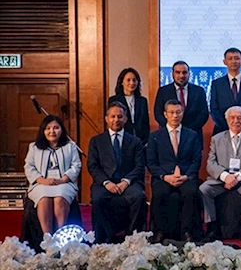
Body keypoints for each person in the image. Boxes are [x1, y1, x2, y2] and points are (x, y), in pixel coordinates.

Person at [200, 106, 241, 241]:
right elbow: (210, 164)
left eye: (240, 118)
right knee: (204, 189)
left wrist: (237, 177)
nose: (236, 121)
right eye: (232, 117)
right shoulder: (216, 139)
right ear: (227, 120)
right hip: (221, 179)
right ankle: (212, 227)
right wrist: (225, 176)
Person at [88, 102, 147, 243]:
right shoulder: (96, 141)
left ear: (125, 119)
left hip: (128, 183)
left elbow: (139, 166)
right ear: (106, 118)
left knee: (139, 197)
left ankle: (133, 238)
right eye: (113, 116)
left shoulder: (135, 141)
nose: (116, 120)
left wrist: (125, 182)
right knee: (98, 199)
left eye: (120, 116)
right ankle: (109, 237)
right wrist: (106, 182)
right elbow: (93, 166)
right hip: (105, 183)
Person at [146, 99, 203, 243]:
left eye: (178, 112)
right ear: (165, 114)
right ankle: (160, 232)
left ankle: (186, 232)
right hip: (163, 177)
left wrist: (186, 176)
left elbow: (196, 160)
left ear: (183, 113)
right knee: (160, 193)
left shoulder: (192, 135)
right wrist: (165, 176)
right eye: (171, 112)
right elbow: (151, 162)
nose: (175, 116)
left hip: (185, 177)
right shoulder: (155, 136)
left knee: (190, 193)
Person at [24, 115, 81, 235]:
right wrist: (42, 180)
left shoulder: (70, 146)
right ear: (43, 131)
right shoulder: (34, 147)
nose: (52, 131)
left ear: (62, 130)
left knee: (60, 198)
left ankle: (60, 235)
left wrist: (63, 180)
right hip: (41, 183)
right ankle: (48, 237)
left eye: (56, 128)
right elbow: (29, 167)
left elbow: (76, 165)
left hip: (64, 182)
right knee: (44, 198)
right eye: (48, 128)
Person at [153, 61, 209, 143]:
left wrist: (187, 130)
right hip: (169, 135)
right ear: (172, 74)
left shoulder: (199, 91)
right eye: (178, 72)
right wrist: (172, 127)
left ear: (189, 74)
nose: (181, 76)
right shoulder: (163, 91)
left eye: (184, 72)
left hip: (193, 136)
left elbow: (204, 114)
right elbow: (158, 113)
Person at [210, 48, 241, 135]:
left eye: (237, 58)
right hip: (222, 130)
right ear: (224, 62)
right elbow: (214, 108)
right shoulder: (217, 84)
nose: (233, 61)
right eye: (230, 59)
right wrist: (229, 126)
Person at [108, 67, 151, 145]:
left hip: (140, 140)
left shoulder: (142, 100)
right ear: (122, 82)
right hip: (122, 139)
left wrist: (146, 140)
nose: (132, 83)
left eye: (134, 80)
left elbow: (145, 123)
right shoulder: (114, 100)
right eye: (128, 80)